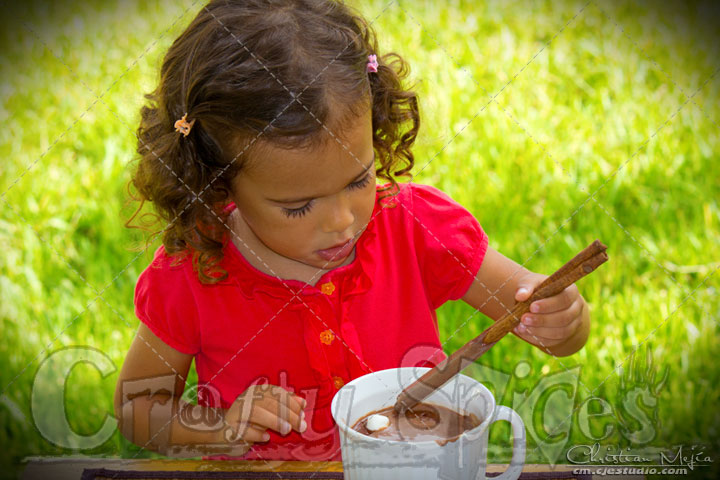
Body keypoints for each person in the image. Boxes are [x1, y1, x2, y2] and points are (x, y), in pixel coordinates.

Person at [115, 0, 591, 462]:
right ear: (218, 183)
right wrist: (221, 429)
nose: (343, 221)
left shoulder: (413, 226)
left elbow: (541, 317)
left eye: (360, 180)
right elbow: (138, 411)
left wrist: (563, 320)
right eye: (298, 207)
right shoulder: (195, 271)